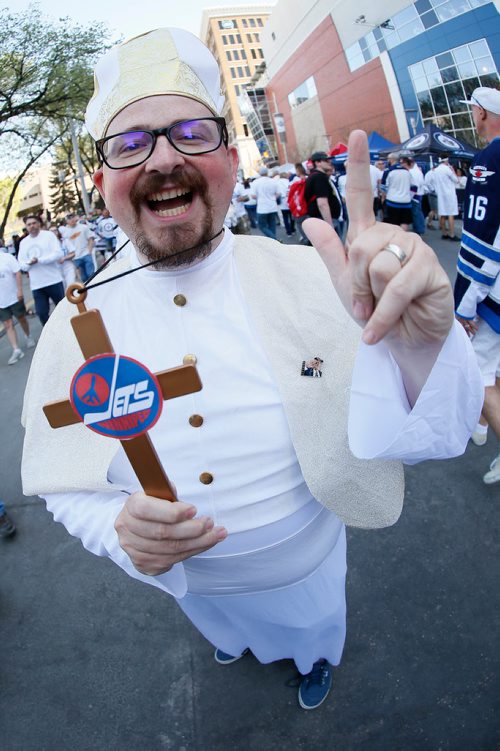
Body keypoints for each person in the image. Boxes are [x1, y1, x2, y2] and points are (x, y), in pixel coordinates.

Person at [22, 28, 482, 712]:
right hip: (195, 588)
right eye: (130, 144)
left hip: (305, 569)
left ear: (232, 160)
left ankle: (315, 658)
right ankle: (236, 635)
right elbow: (59, 477)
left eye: (190, 132)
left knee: (310, 630)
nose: (163, 159)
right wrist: (115, 528)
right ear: (102, 181)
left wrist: (418, 347)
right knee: (226, 628)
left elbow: (432, 436)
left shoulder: (316, 277)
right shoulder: (75, 322)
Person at [454, 86, 500, 485]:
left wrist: (468, 301)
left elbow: (487, 241)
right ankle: (482, 424)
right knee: (492, 369)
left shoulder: (490, 157)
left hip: (492, 292)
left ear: (482, 112)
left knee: (480, 375)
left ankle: (484, 422)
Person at [17, 214, 64, 326]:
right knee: (42, 313)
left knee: (63, 308)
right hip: (37, 285)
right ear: (26, 227)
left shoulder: (48, 236)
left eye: (34, 223)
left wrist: (40, 260)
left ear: (39, 224)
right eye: (29, 224)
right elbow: (21, 264)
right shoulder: (24, 243)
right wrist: (29, 264)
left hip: (53, 280)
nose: (32, 226)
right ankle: (51, 334)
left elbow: (58, 253)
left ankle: (68, 328)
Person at [0, 250, 36, 364]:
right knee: (7, 324)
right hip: (1, 300)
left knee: (21, 318)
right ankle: (16, 349)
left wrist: (20, 290)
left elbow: (17, 273)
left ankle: (28, 335)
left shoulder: (7, 257)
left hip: (14, 295)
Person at [304, 152, 341, 231]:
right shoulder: (319, 177)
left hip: (320, 219)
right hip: (324, 220)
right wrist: (330, 226)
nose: (329, 162)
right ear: (317, 163)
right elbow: (322, 203)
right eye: (326, 160)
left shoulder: (315, 176)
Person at [379, 153, 413, 230]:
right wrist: (409, 196)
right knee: (404, 222)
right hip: (406, 201)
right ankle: (403, 238)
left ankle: (395, 239)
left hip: (392, 200)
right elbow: (413, 186)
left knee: (393, 222)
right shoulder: (407, 171)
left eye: (388, 159)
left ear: (391, 160)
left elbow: (384, 187)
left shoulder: (388, 171)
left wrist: (383, 197)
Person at [59, 213, 95, 282]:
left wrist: (89, 251)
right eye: (69, 218)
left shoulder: (83, 227)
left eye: (72, 217)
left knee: (91, 275)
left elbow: (90, 238)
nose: (71, 220)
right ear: (66, 221)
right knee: (83, 278)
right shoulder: (65, 232)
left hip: (86, 254)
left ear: (75, 218)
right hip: (75, 257)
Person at [433, 156, 459, 241]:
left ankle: (444, 233)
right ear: (447, 160)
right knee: (451, 214)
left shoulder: (436, 170)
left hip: (441, 194)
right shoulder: (447, 169)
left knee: (443, 213)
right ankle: (452, 234)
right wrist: (453, 171)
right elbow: (456, 180)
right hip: (449, 194)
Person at [251, 166, 280, 240]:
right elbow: (278, 194)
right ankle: (274, 241)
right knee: (272, 225)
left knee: (262, 226)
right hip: (272, 206)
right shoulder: (273, 181)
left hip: (262, 208)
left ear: (259, 173)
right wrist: (272, 198)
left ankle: (274, 239)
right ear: (267, 172)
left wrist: (260, 197)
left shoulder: (256, 182)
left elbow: (253, 196)